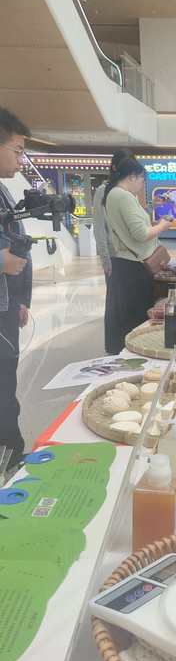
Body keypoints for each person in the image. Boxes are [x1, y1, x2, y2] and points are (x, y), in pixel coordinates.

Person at [103, 158, 172, 353]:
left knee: (123, 315)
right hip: (132, 266)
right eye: (142, 179)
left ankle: (124, 352)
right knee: (133, 317)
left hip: (125, 264)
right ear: (132, 176)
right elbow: (141, 234)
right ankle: (132, 353)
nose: (142, 184)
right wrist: (163, 226)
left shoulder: (114, 194)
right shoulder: (122, 196)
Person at [0, 107, 33, 470]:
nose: (21, 160)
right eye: (18, 151)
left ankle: (11, 455)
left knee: (6, 384)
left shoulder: (3, 190)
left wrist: (21, 300)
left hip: (7, 304)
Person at [92, 149, 134, 353]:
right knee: (115, 303)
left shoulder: (128, 191)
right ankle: (114, 347)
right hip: (114, 257)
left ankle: (129, 344)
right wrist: (105, 258)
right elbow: (99, 227)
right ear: (115, 167)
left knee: (128, 303)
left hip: (132, 258)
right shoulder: (104, 191)